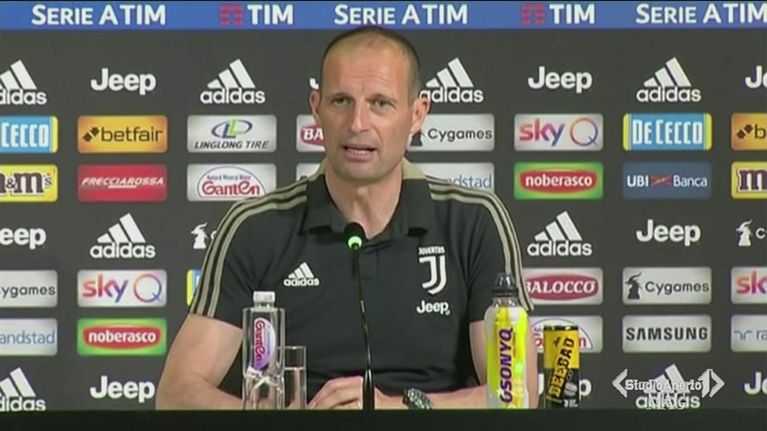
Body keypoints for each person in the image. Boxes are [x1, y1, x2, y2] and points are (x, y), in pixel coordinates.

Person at [156, 26, 537, 410]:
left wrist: (395, 411)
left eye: (380, 103)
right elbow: (176, 394)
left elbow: (516, 394)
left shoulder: (474, 222)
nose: (357, 123)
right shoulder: (255, 227)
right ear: (316, 108)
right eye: (341, 101)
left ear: (417, 114)